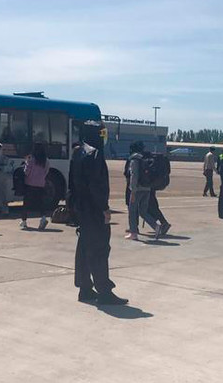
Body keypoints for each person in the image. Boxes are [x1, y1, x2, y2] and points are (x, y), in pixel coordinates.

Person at [73, 122, 127, 305]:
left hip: (81, 208)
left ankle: (85, 288)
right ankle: (104, 291)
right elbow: (96, 186)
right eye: (101, 133)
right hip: (94, 210)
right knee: (99, 250)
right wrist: (104, 208)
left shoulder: (77, 152)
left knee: (84, 248)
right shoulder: (95, 154)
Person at [126, 141, 161, 240]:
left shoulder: (134, 160)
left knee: (132, 211)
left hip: (137, 189)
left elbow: (134, 176)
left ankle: (133, 233)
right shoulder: (145, 158)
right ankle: (155, 225)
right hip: (147, 188)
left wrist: (133, 191)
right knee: (143, 211)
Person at [21, 143, 51, 230]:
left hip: (30, 184)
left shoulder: (31, 159)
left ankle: (24, 221)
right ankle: (43, 218)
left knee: (26, 203)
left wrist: (25, 164)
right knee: (41, 203)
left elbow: (26, 172)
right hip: (41, 184)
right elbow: (46, 172)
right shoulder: (46, 160)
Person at [66, 141, 84, 225]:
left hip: (74, 185)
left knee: (72, 203)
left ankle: (74, 219)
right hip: (80, 186)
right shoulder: (83, 160)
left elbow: (71, 174)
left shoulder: (73, 161)